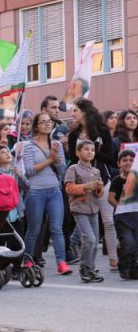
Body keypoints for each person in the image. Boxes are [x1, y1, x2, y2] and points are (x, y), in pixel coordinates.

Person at [68, 98, 117, 271]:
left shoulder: (102, 131)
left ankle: (114, 259)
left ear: (84, 112)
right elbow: (73, 159)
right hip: (82, 184)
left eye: (75, 110)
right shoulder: (74, 134)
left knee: (108, 221)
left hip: (102, 181)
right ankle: (87, 264)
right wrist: (85, 154)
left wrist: (92, 151)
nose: (72, 114)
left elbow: (111, 158)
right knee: (88, 226)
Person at [22, 112, 72, 275]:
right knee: (34, 229)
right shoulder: (28, 145)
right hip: (35, 192)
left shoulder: (56, 144)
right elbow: (29, 171)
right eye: (43, 122)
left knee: (57, 228)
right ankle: (28, 259)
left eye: (49, 122)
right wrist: (50, 159)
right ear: (36, 126)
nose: (47, 124)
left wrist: (56, 159)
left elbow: (63, 170)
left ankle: (62, 262)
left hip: (54, 190)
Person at [64, 140, 105, 282]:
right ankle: (85, 267)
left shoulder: (96, 171)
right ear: (78, 152)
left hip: (93, 208)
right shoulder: (73, 169)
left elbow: (99, 194)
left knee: (94, 242)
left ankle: (91, 269)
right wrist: (87, 186)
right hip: (79, 208)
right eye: (86, 149)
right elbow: (69, 189)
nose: (90, 152)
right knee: (90, 239)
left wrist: (100, 188)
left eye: (92, 150)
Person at [108, 149, 138, 279]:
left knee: (136, 244)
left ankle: (133, 269)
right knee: (128, 243)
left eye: (132, 160)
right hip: (123, 218)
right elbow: (110, 198)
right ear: (119, 163)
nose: (128, 162)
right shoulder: (117, 180)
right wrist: (120, 207)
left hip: (136, 216)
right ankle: (123, 266)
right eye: (124, 160)